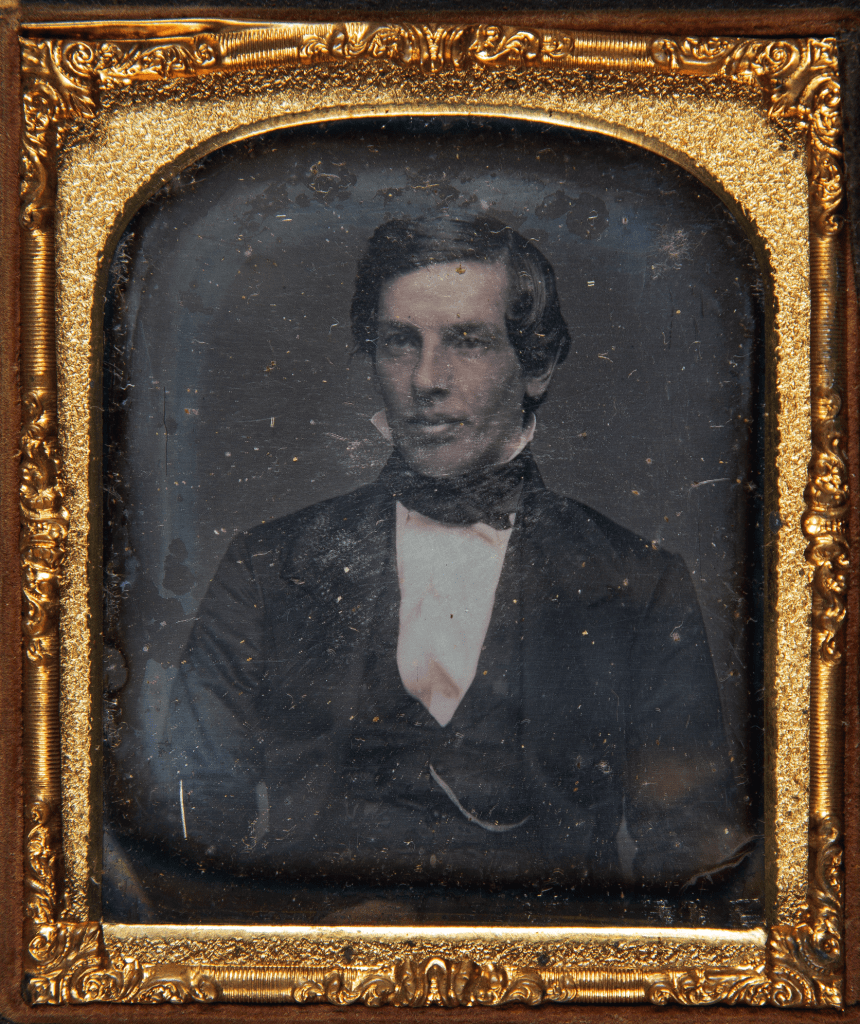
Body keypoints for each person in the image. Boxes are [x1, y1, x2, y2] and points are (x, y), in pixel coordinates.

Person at [150, 214, 753, 898]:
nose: (426, 379)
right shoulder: (268, 568)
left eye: (467, 341)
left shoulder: (637, 584)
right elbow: (190, 824)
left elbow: (690, 856)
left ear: (537, 365)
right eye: (400, 342)